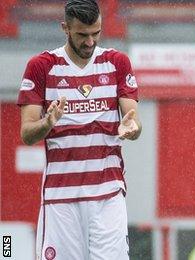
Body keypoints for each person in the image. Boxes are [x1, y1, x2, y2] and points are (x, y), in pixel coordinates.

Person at [17, 0, 141, 259]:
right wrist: (47, 123)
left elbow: (133, 121)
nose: (90, 42)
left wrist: (132, 127)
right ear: (65, 28)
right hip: (61, 197)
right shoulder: (41, 66)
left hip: (107, 193)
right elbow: (27, 134)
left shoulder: (117, 62)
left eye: (96, 33)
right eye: (82, 35)